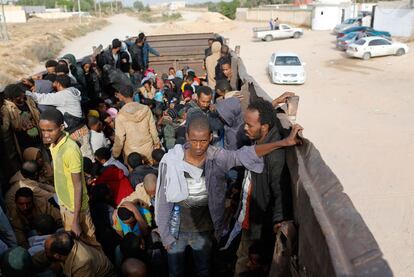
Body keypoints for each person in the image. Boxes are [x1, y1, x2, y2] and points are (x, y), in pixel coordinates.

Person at [155, 114, 302, 276]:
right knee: (175, 272)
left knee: (203, 270)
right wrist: (165, 234)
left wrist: (284, 142)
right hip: (176, 230)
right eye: (194, 140)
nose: (198, 146)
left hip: (204, 231)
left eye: (203, 141)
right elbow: (163, 200)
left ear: (210, 137)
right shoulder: (172, 161)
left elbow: (245, 154)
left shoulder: (217, 157)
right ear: (187, 136)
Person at [234, 99, 293, 275]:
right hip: (247, 217)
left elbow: (280, 191)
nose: (245, 128)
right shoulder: (257, 140)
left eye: (249, 125)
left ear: (265, 127)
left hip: (258, 226)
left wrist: (277, 222)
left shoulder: (274, 156)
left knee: (244, 264)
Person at [38, 108, 99, 247]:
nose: (46, 134)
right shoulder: (54, 144)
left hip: (76, 208)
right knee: (75, 245)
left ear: (61, 127)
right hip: (65, 203)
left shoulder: (70, 150)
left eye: (50, 130)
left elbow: (78, 185)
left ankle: (104, 268)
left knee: (91, 244)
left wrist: (76, 219)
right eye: (43, 130)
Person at [112, 84, 160, 163]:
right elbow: (153, 129)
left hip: (132, 154)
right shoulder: (146, 109)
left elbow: (119, 138)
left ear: (121, 96)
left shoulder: (120, 116)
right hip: (148, 149)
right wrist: (157, 143)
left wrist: (115, 154)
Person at [44, 231, 116, 277]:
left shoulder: (82, 263)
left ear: (57, 256)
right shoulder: (68, 242)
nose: (44, 252)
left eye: (46, 251)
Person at [1, 83, 41, 156]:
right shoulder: (7, 109)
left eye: (21, 94)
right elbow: (5, 128)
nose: (21, 98)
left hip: (39, 137)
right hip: (25, 142)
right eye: (17, 97)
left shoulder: (28, 100)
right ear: (10, 99)